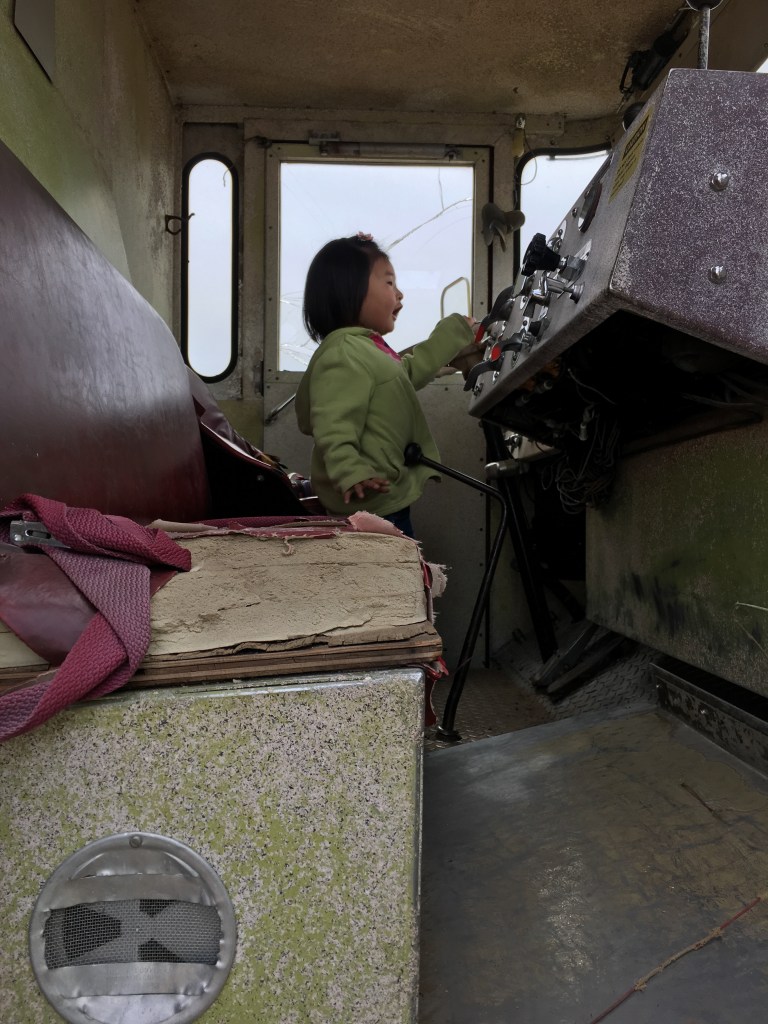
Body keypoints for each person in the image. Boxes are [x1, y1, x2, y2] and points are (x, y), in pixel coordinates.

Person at [295, 233, 481, 538]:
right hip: (367, 503)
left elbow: (406, 373)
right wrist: (350, 471)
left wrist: (452, 334)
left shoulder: (366, 349)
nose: (400, 294)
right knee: (397, 564)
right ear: (350, 290)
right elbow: (333, 424)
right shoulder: (343, 355)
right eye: (390, 283)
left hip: (382, 498)